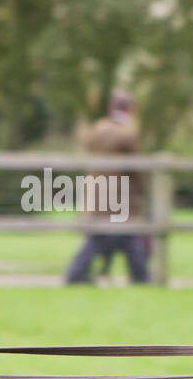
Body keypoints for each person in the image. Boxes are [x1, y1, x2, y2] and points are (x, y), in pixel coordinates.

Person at [63, 91, 150, 284]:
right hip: (120, 199)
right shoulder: (128, 134)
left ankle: (77, 275)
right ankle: (141, 278)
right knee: (129, 238)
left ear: (111, 108)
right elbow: (136, 169)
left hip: (96, 196)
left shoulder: (96, 129)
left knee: (98, 239)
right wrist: (142, 192)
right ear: (131, 109)